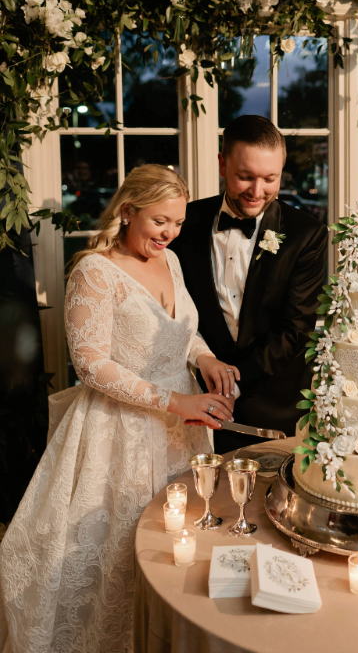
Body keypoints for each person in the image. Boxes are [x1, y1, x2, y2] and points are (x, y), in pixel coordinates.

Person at [0, 164, 237, 653]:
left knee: (179, 545)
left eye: (177, 223)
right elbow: (89, 364)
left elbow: (182, 329)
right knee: (119, 550)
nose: (169, 233)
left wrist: (206, 356)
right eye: (159, 221)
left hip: (181, 430)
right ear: (128, 212)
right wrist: (173, 399)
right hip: (118, 432)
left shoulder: (168, 262)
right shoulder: (94, 270)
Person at [171, 115, 328, 454]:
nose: (257, 191)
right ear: (222, 164)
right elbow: (170, 310)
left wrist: (230, 385)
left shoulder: (307, 234)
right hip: (193, 405)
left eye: (270, 179)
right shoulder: (184, 222)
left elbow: (295, 329)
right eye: (245, 177)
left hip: (274, 415)